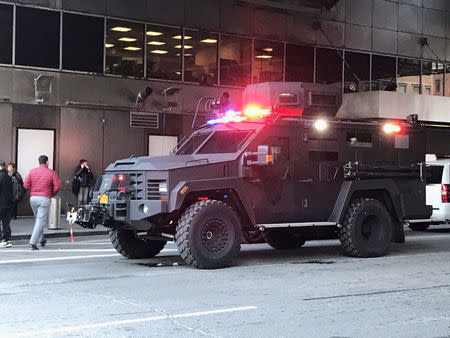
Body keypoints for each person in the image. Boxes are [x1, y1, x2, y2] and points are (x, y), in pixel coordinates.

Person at [23, 155, 61, 250]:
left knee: (38, 220)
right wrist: (51, 194)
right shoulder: (51, 172)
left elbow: (25, 185)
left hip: (33, 198)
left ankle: (42, 238)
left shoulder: (32, 171)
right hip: (44, 198)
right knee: (40, 220)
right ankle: (33, 242)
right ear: (47, 162)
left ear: (39, 162)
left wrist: (33, 191)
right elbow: (57, 186)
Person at [0, 162, 13, 248]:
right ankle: (7, 240)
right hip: (8, 203)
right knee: (6, 222)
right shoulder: (9, 177)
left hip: (1, 203)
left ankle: (1, 240)